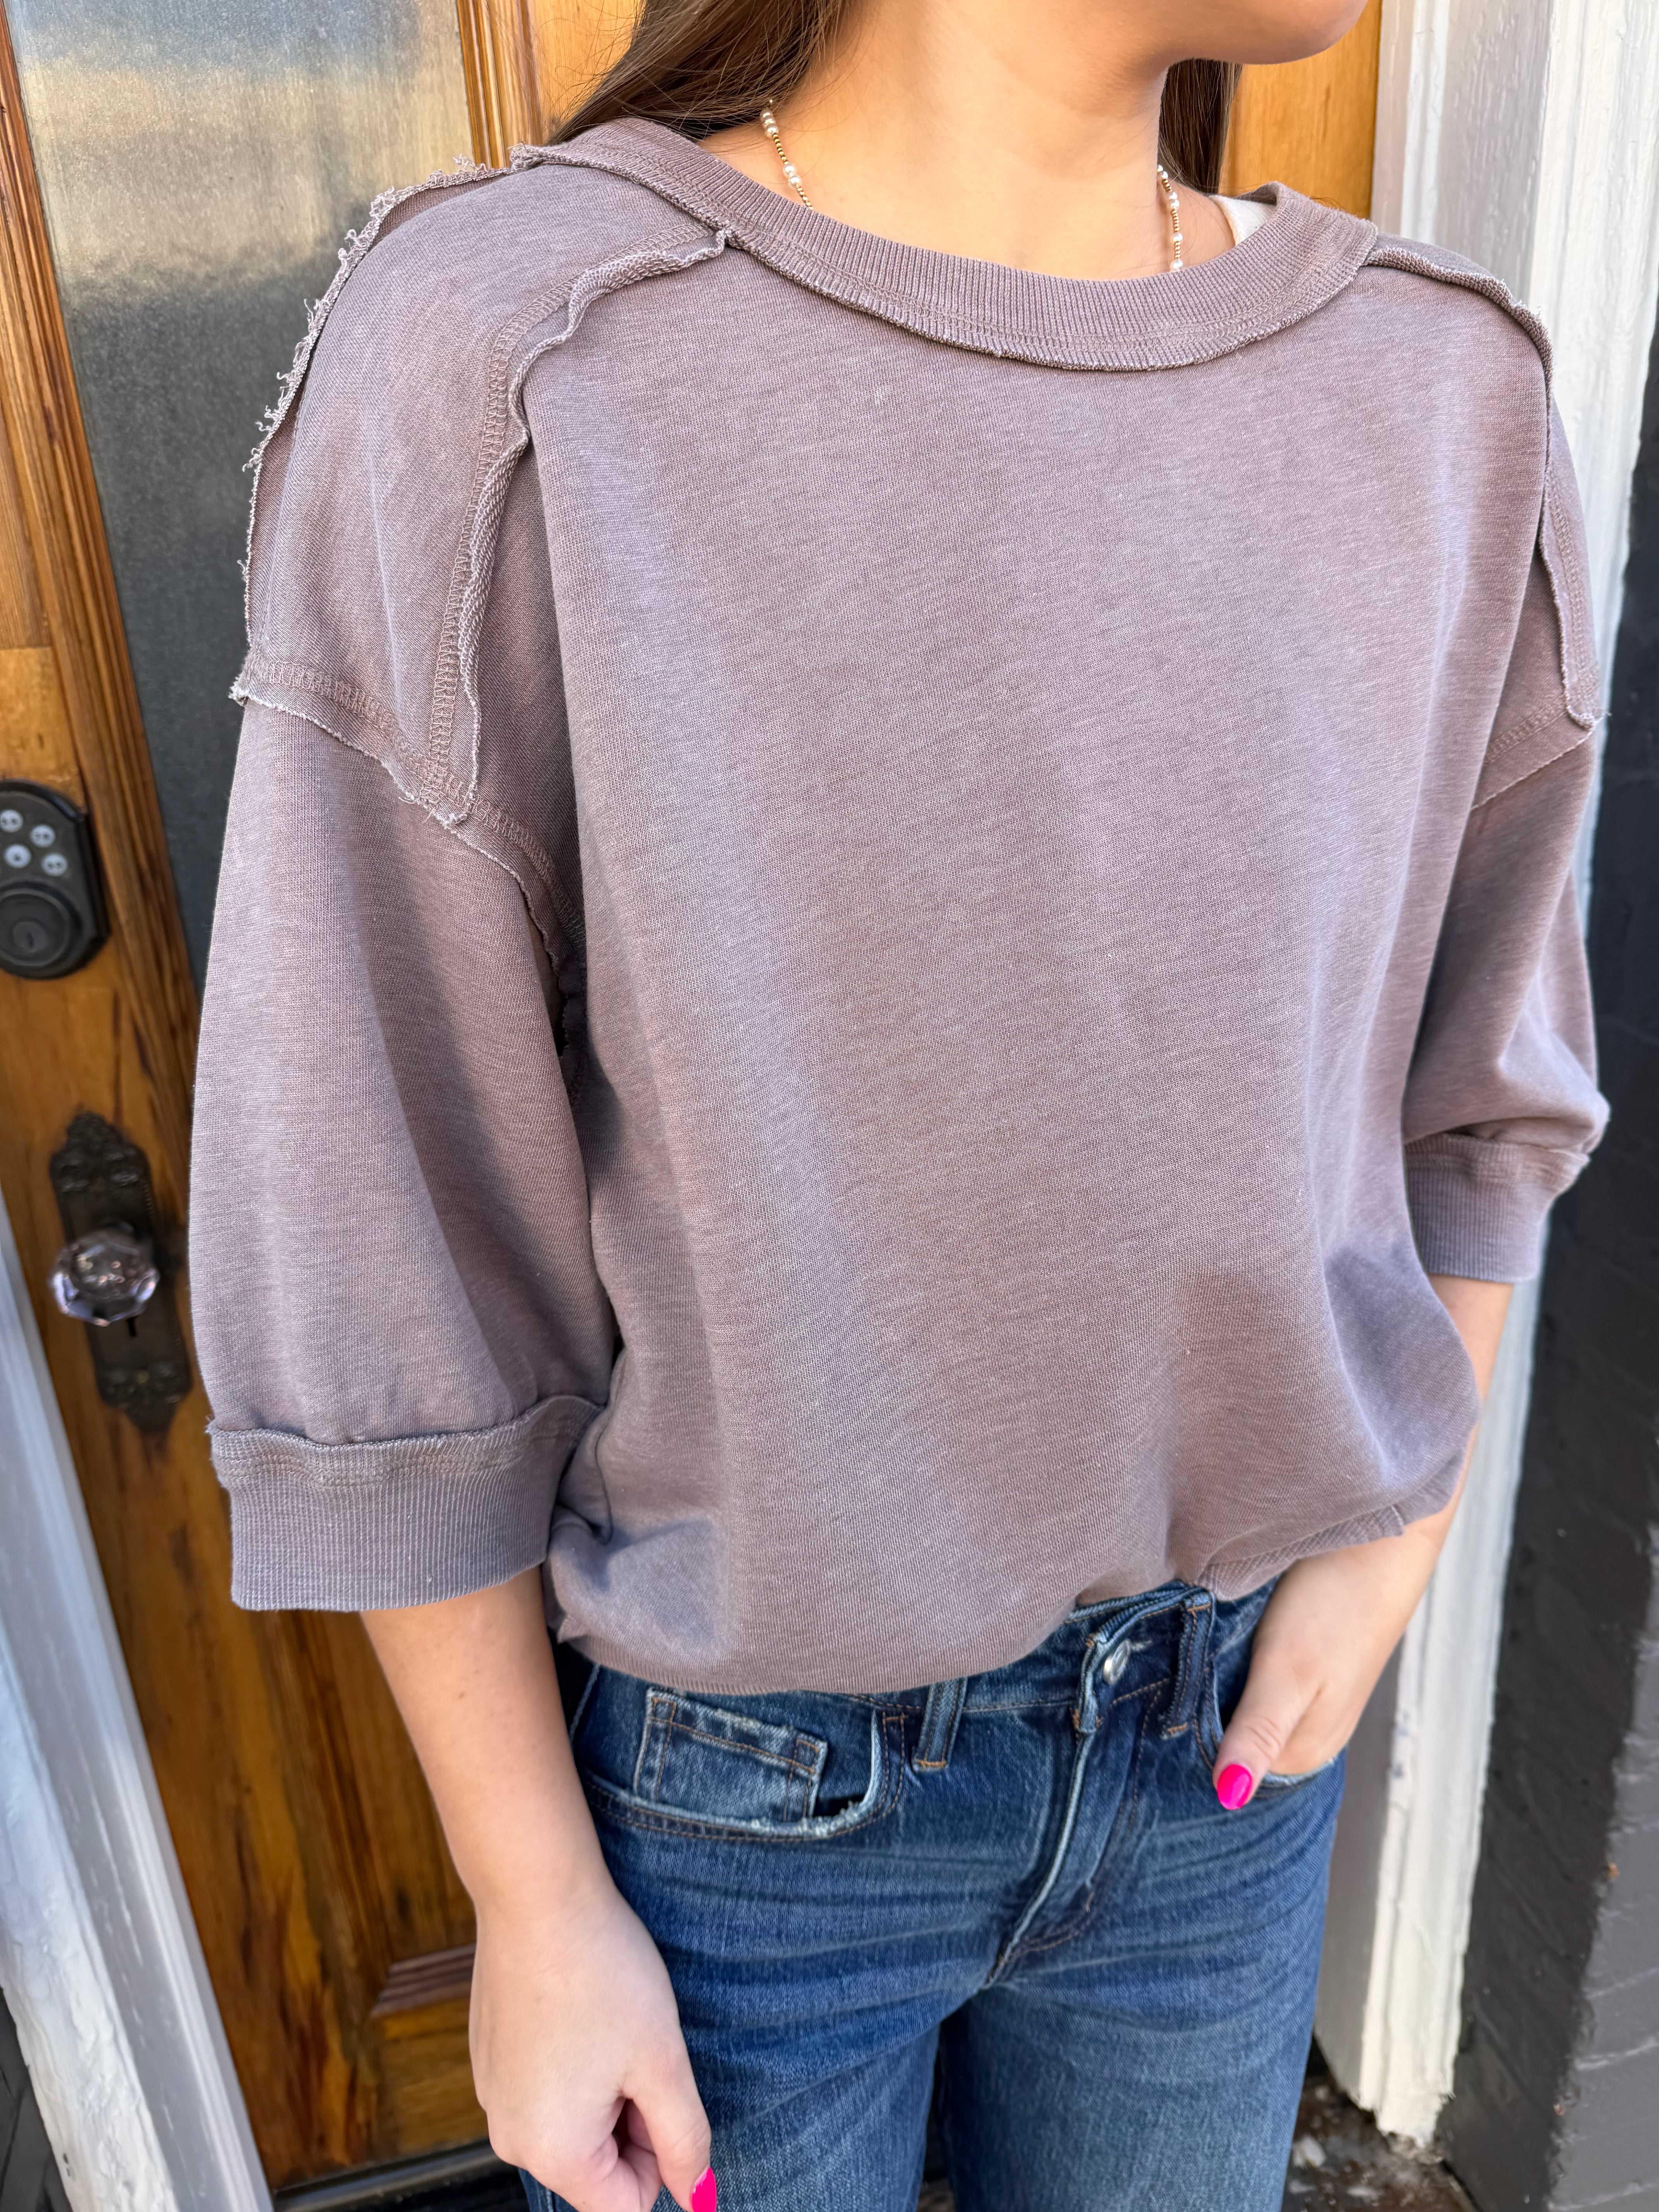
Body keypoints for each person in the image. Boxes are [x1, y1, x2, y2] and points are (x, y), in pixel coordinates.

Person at [188, 0, 1609, 2205]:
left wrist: (1389, 1550)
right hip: (733, 1814)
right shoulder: (525, 350)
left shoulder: (1442, 389)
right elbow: (379, 1189)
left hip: (1230, 1755)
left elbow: (1488, 1074)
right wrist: (532, 1892)